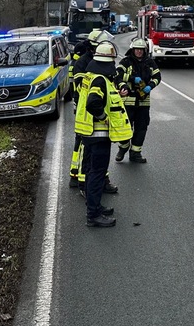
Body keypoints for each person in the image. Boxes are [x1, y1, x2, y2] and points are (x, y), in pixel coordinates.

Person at [75, 41, 132, 228]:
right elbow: (93, 102)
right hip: (97, 134)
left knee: (93, 172)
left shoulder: (90, 76)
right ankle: (93, 214)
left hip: (88, 133)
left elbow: (97, 98)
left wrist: (116, 95)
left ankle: (96, 207)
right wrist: (103, 117)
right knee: (97, 173)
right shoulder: (99, 79)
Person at [68, 29, 118, 195]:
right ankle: (82, 182)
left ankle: (99, 180)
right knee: (85, 148)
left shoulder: (100, 61)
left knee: (99, 153)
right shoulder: (84, 62)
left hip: (98, 111)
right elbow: (84, 88)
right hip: (87, 113)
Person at [115, 38, 161, 163]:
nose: (139, 52)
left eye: (141, 50)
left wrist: (150, 86)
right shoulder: (125, 62)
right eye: (137, 49)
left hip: (143, 102)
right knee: (125, 128)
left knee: (141, 128)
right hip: (128, 102)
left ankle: (135, 153)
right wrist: (131, 79)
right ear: (132, 49)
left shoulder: (150, 62)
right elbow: (117, 75)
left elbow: (157, 76)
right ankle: (123, 148)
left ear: (145, 50)